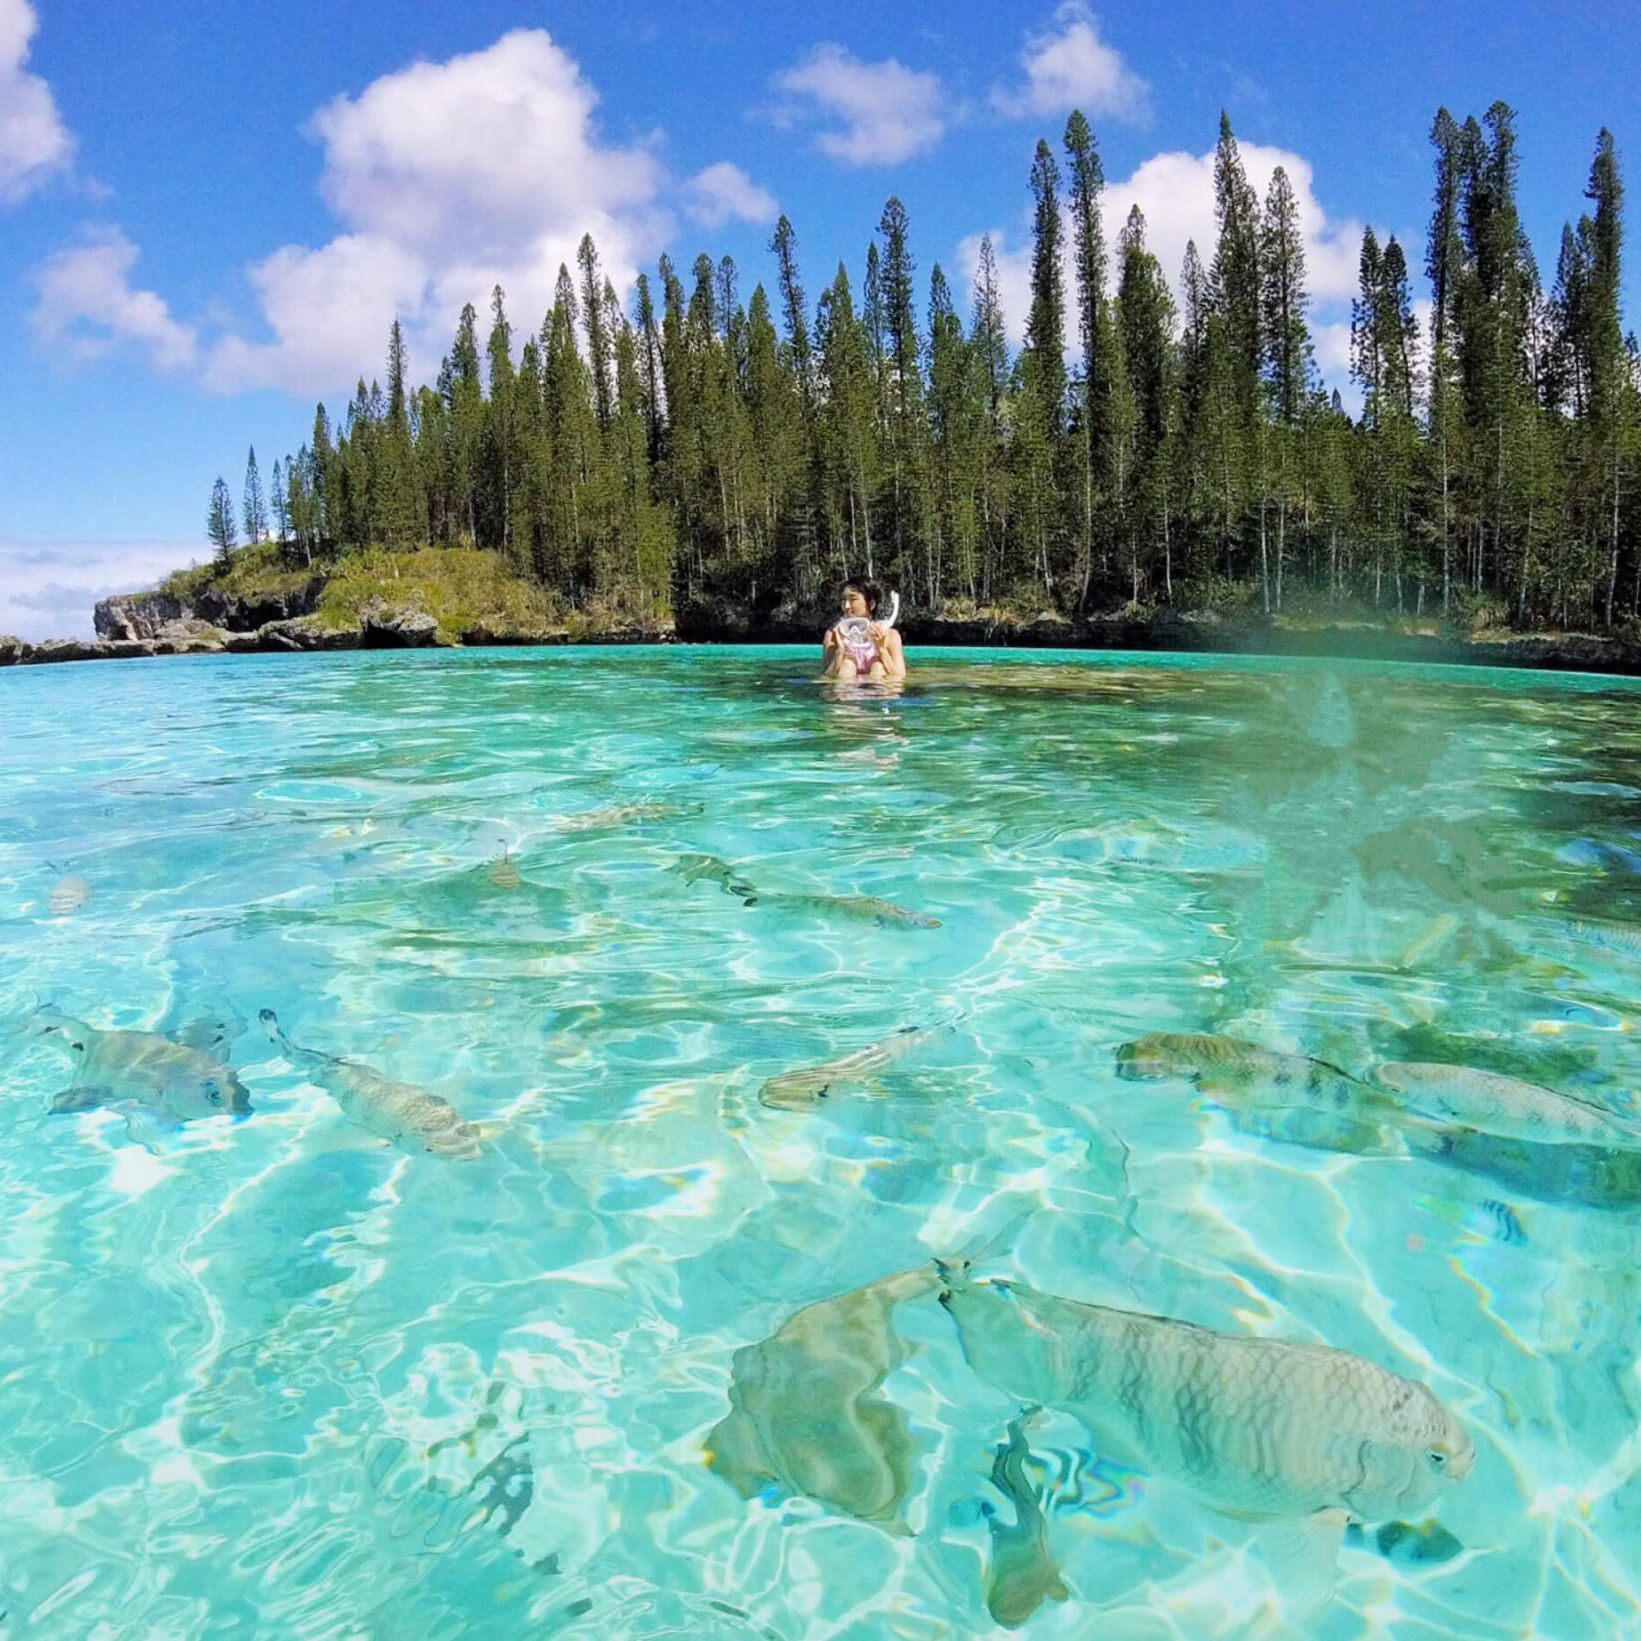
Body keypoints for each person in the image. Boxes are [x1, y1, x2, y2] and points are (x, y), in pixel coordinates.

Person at [821, 578, 906, 682]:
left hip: (879, 690)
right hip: (845, 692)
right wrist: (840, 650)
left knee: (878, 666)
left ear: (871, 604)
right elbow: (826, 678)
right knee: (848, 665)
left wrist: (882, 650)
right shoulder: (833, 634)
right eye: (844, 600)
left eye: (853, 599)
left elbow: (899, 677)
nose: (846, 606)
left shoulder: (890, 635)